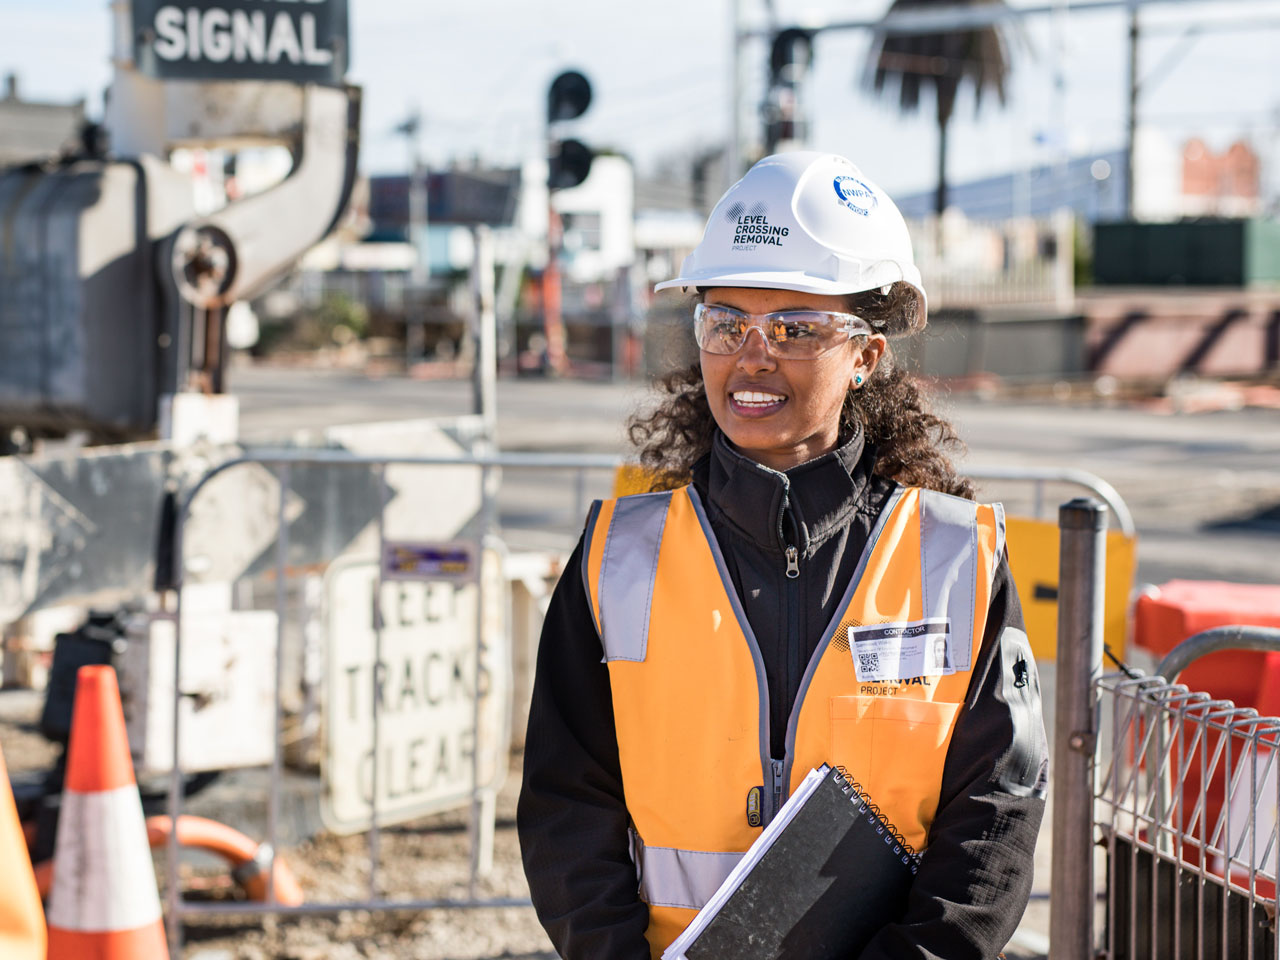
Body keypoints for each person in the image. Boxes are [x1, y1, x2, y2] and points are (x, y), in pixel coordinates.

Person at [517, 151, 1048, 960]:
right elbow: (566, 805)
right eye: (726, 323)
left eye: (796, 328)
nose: (752, 356)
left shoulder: (956, 560)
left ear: (868, 355)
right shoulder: (617, 558)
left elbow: (997, 815)